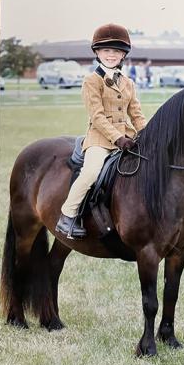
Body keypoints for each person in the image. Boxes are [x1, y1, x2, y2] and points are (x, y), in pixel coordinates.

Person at [55, 23, 147, 239]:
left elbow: (136, 114)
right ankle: (67, 215)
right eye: (106, 50)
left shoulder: (128, 83)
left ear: (123, 54)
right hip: (100, 139)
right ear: (97, 52)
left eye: (116, 51)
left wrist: (148, 134)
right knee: (91, 171)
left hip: (128, 137)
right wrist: (118, 138)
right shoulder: (91, 81)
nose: (111, 55)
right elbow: (97, 117)